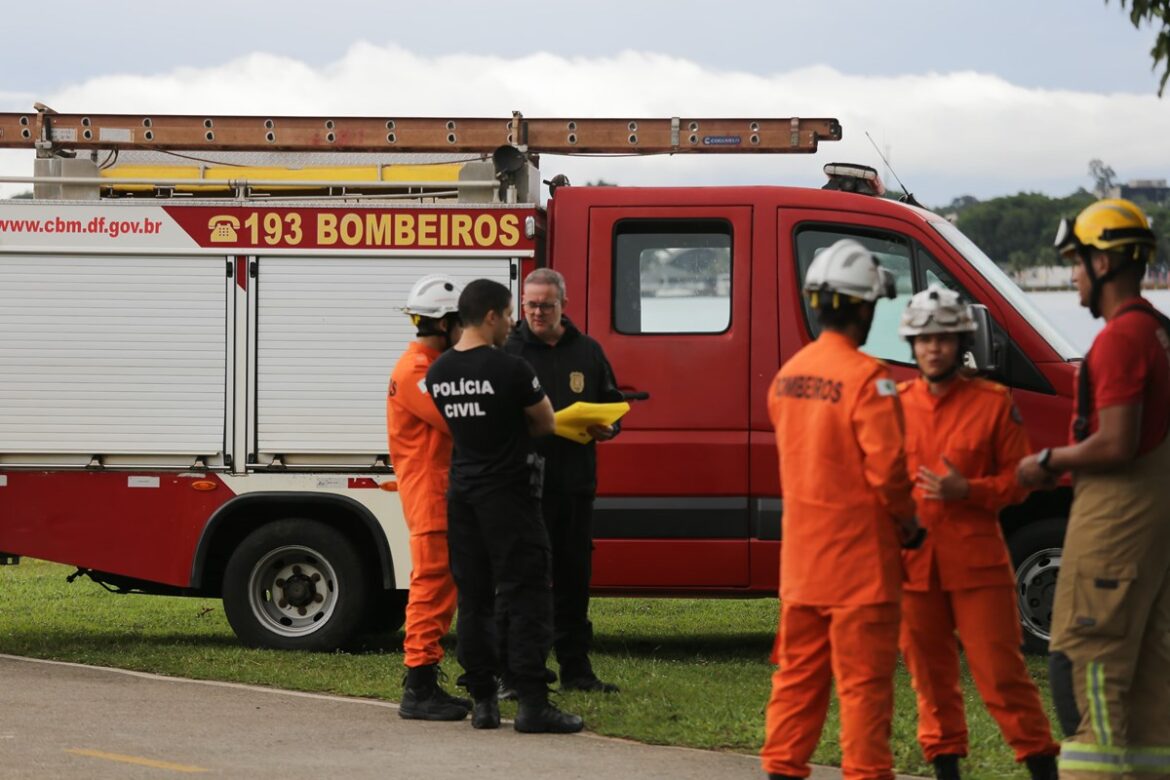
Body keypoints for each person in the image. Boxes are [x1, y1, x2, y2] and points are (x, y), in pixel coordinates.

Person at [761, 238, 924, 780]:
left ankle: (782, 768)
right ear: (865, 306)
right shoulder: (870, 380)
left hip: (803, 570)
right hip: (861, 572)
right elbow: (889, 475)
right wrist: (910, 525)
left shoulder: (787, 378)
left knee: (797, 681)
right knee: (863, 691)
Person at [1018, 198, 1170, 779]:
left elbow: (1116, 442)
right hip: (1151, 534)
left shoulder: (1120, 340)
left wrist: (1046, 461)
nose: (1074, 274)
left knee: (1086, 670)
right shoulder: (1158, 332)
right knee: (1151, 690)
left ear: (1104, 263)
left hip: (1116, 531)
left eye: (1078, 262)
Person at [895, 285, 1059, 780]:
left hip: (978, 567)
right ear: (912, 345)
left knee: (1002, 678)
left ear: (960, 341)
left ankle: (1041, 768)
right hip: (914, 568)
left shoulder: (992, 403)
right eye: (924, 339)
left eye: (944, 338)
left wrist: (968, 489)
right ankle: (946, 771)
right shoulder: (895, 404)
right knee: (931, 681)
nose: (934, 347)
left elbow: (1018, 484)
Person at [424, 278, 583, 734]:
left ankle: (483, 702)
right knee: (527, 594)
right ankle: (533, 703)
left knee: (474, 600)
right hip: (510, 498)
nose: (513, 322)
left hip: (463, 498)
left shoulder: (436, 374)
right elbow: (546, 422)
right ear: (491, 315)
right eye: (510, 313)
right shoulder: (512, 369)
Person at [502, 267, 623, 694]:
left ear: (563, 306)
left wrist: (609, 427)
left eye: (546, 305)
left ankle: (577, 670)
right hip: (524, 488)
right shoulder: (509, 350)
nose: (537, 312)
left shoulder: (588, 351)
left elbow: (612, 402)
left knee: (574, 580)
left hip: (574, 485)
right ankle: (519, 673)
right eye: (531, 305)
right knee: (524, 584)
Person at [387, 275, 472, 721]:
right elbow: (457, 421)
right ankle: (418, 688)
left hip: (440, 494)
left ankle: (423, 682)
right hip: (431, 495)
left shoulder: (428, 365)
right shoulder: (416, 370)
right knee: (431, 589)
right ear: (446, 324)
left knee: (440, 589)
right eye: (464, 323)